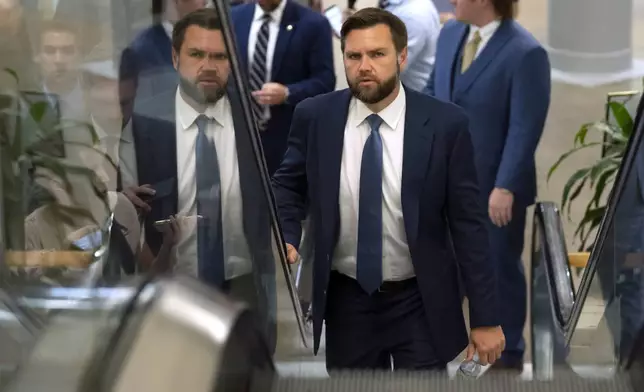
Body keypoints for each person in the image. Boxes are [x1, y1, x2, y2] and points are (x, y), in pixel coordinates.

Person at [273, 7, 504, 371]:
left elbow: (469, 226)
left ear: (401, 56)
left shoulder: (445, 125)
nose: (365, 66)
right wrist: (287, 232)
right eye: (354, 56)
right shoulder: (315, 116)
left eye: (377, 54)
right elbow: (287, 185)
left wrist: (485, 316)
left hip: (420, 299)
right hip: (346, 300)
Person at [128, 8, 277, 351]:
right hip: (174, 288)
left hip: (244, 289)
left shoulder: (254, 118)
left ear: (232, 61)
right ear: (175, 57)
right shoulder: (146, 121)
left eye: (218, 56)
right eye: (196, 54)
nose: (208, 65)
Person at [424, 0, 550, 372]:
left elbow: (524, 127)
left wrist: (506, 186)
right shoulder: (450, 34)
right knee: (449, 267)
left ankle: (508, 356)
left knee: (498, 269)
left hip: (494, 189)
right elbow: (434, 92)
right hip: (447, 182)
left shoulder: (526, 53)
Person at [231, 0, 335, 175]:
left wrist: (288, 93)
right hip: (238, 140)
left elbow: (324, 82)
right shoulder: (233, 18)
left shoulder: (313, 24)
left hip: (287, 143)